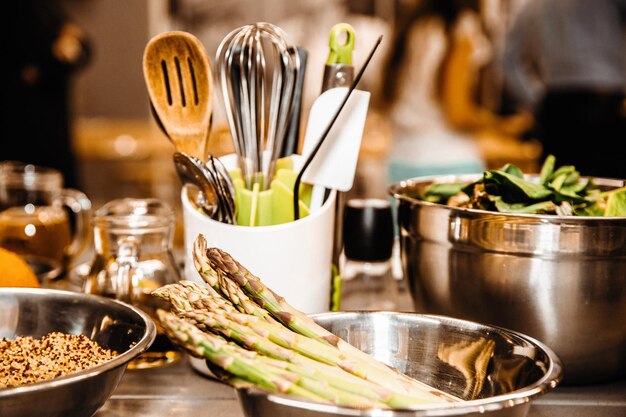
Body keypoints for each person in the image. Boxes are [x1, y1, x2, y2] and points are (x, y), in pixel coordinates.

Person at [378, 0, 532, 185]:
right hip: (449, 164)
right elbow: (457, 114)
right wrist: (500, 126)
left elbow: (385, 100)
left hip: (400, 161)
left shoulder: (412, 24)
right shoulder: (460, 27)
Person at [502, 0, 626, 179]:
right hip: (604, 105)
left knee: (560, 191)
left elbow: (508, 61)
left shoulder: (531, 5)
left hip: (560, 108)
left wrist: (538, 102)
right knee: (608, 193)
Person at [2, 0, 91, 189]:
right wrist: (58, 52)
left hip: (52, 126)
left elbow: (83, 46)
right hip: (21, 128)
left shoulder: (46, 5)